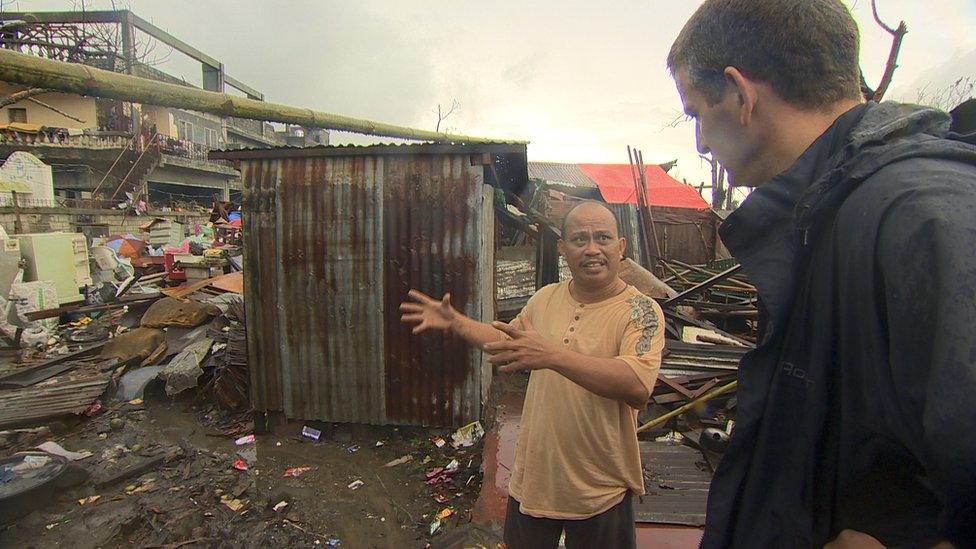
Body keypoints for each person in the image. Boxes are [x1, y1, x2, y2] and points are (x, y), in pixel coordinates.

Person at [667, 1, 976, 547]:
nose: (700, 144)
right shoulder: (830, 213)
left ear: (740, 94)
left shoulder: (922, 215)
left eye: (695, 114)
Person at [400, 201, 664, 548]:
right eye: (579, 239)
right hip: (535, 481)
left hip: (601, 488)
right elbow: (507, 341)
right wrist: (456, 322)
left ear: (621, 247)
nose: (592, 249)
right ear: (562, 249)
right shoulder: (545, 299)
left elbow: (636, 385)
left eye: (603, 238)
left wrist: (553, 355)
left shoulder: (640, 311)